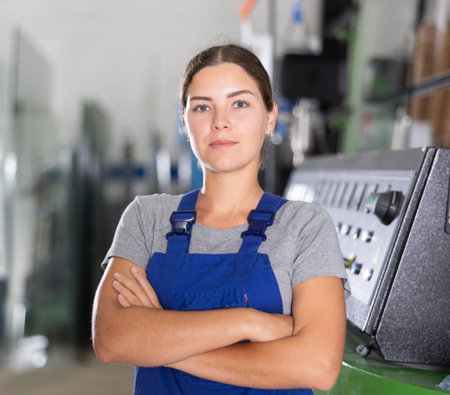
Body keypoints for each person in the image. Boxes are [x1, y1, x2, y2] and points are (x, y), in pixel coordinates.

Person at [92, 43, 349, 395]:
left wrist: (162, 343)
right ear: (185, 121)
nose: (220, 122)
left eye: (239, 103)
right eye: (202, 107)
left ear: (270, 118)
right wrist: (249, 322)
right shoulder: (147, 217)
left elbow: (317, 366)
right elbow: (111, 339)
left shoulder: (305, 227)